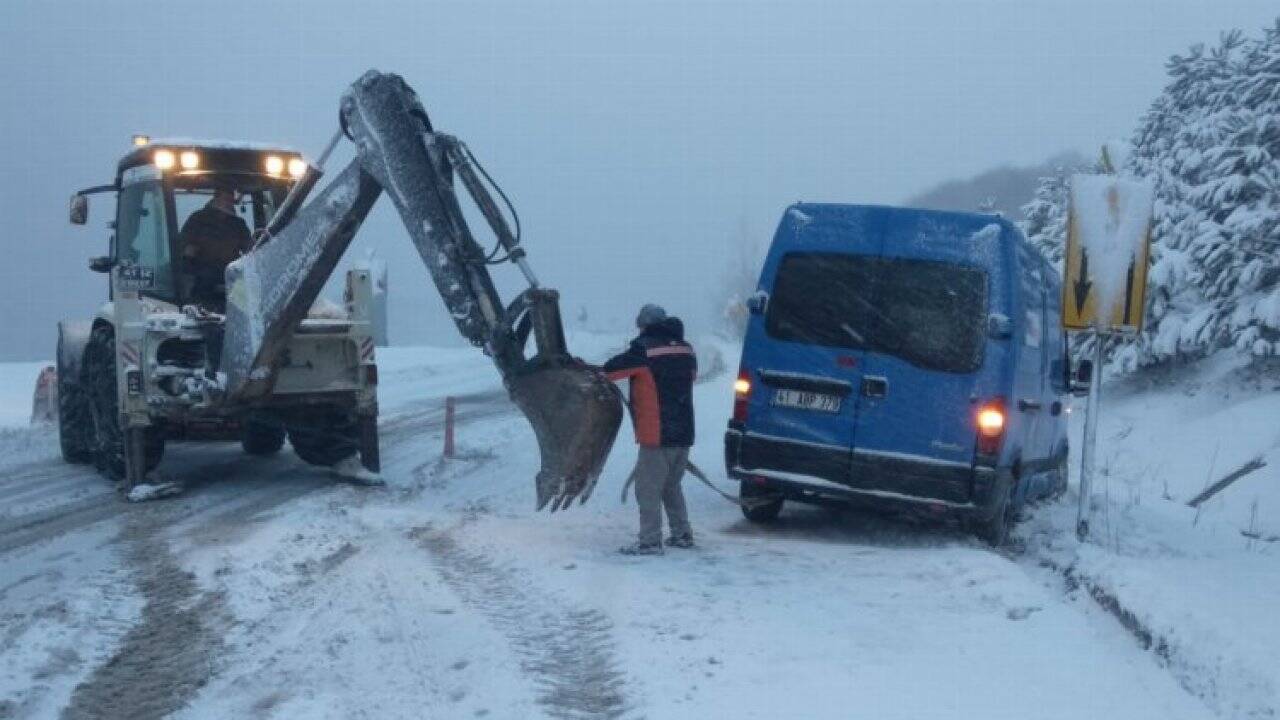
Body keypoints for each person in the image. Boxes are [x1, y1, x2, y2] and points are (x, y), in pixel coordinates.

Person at [603, 304, 697, 555]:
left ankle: (650, 541)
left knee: (647, 488)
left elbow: (611, 371)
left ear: (645, 325)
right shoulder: (687, 349)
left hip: (657, 434)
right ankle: (682, 534)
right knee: (671, 485)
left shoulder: (644, 349)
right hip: (683, 432)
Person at [179, 187, 251, 312]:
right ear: (216, 199)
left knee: (245, 302)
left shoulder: (238, 224)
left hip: (231, 275)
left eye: (231, 199)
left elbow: (250, 249)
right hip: (203, 275)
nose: (229, 202)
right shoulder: (198, 220)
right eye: (226, 199)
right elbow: (186, 250)